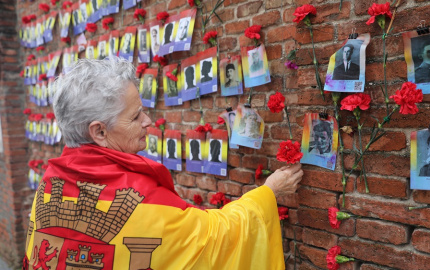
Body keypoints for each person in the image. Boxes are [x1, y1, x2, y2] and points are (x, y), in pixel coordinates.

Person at [24, 58, 303, 270]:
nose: (147, 122)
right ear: (99, 132)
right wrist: (269, 192)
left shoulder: (49, 184)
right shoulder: (138, 198)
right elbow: (214, 238)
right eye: (135, 117)